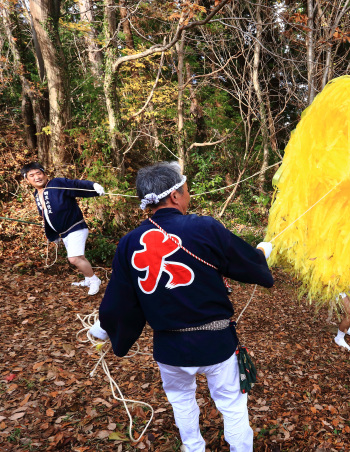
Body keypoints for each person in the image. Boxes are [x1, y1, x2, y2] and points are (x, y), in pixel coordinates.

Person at [94, 162, 274, 452]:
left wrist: (107, 328)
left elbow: (120, 300)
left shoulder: (129, 243)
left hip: (170, 348)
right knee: (232, 403)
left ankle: (193, 448)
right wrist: (262, 254)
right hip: (216, 342)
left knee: (181, 401)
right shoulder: (204, 227)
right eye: (186, 190)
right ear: (175, 196)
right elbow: (247, 264)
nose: (188, 196)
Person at [21, 162, 104, 295]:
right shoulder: (37, 194)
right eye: (32, 175)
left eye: (39, 173)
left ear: (45, 174)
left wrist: (93, 187)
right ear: (27, 179)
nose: (37, 177)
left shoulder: (56, 184)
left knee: (74, 258)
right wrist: (53, 235)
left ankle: (94, 280)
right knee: (80, 257)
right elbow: (47, 216)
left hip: (75, 227)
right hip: (64, 233)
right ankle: (88, 279)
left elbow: (75, 185)